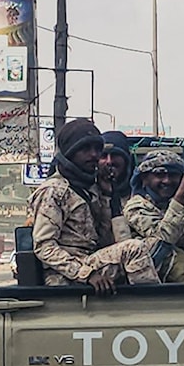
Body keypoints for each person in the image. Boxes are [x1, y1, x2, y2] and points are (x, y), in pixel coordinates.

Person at [29, 119, 159, 292]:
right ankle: (150, 302)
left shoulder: (88, 189)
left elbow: (105, 238)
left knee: (151, 245)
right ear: (70, 152)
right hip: (65, 274)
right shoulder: (53, 191)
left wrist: (109, 195)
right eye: (85, 149)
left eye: (97, 149)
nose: (94, 155)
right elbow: (44, 247)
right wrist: (86, 274)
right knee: (134, 249)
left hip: (89, 260)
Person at [124, 150, 184, 283]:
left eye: (173, 175)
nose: (167, 181)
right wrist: (179, 197)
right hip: (163, 265)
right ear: (144, 179)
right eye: (159, 175)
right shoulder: (136, 207)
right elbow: (163, 240)